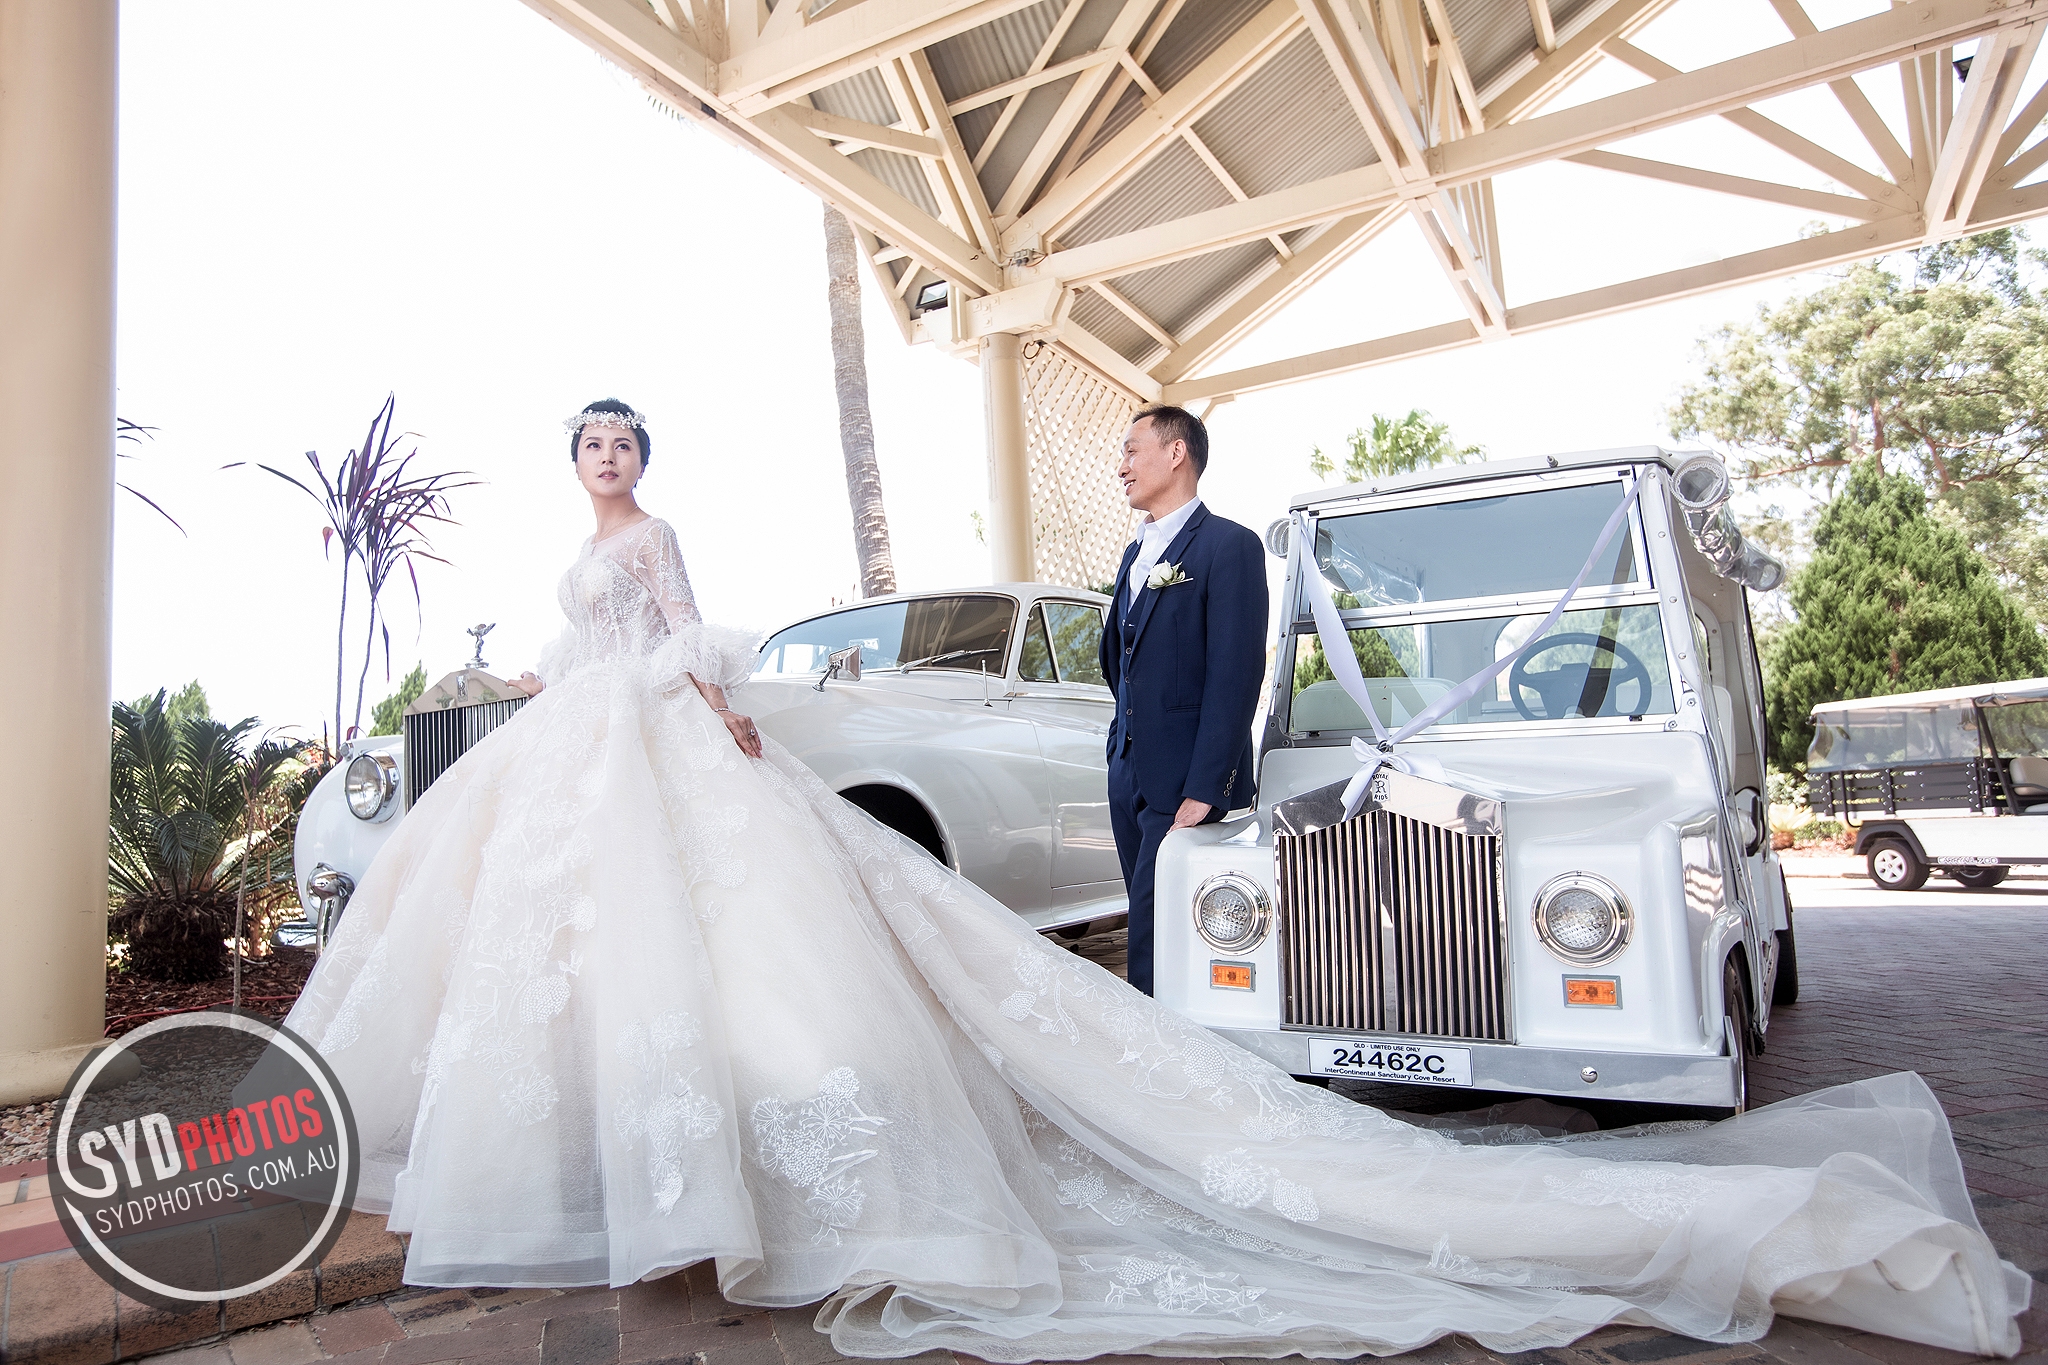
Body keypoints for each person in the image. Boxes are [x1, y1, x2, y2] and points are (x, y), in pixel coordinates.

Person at [284, 400, 2028, 1361]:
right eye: (588, 448)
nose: (606, 466)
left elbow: (699, 646)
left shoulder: (1197, 554)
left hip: (903, 755)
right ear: (573, 466)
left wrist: (1191, 781)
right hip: (617, 747)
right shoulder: (1125, 551)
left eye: (621, 446)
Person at [1096, 405, 1267, 996]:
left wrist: (1207, 785)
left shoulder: (1230, 546)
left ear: (1176, 453)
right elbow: (1122, 659)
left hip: (1186, 782)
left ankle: (1157, 1042)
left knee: (1156, 926)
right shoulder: (1135, 553)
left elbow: (1236, 674)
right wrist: (1124, 742)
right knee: (1146, 915)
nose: (1121, 467)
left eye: (1131, 450)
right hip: (1129, 770)